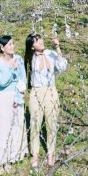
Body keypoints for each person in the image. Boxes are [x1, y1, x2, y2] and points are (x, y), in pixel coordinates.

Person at [24, 33, 68, 168]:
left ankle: (51, 153)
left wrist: (58, 47)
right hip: (36, 91)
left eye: (40, 39)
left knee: (51, 123)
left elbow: (62, 68)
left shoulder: (50, 53)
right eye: (37, 41)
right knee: (35, 122)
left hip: (51, 91)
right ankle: (35, 154)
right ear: (32, 47)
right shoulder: (30, 58)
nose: (41, 42)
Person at [0, 34, 28, 167]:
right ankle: (1, 160)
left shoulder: (19, 59)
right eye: (10, 44)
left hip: (16, 96)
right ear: (2, 47)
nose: (13, 46)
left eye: (13, 43)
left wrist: (18, 97)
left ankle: (13, 156)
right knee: (3, 127)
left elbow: (22, 79)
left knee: (16, 125)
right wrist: (11, 68)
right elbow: (1, 82)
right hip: (3, 97)